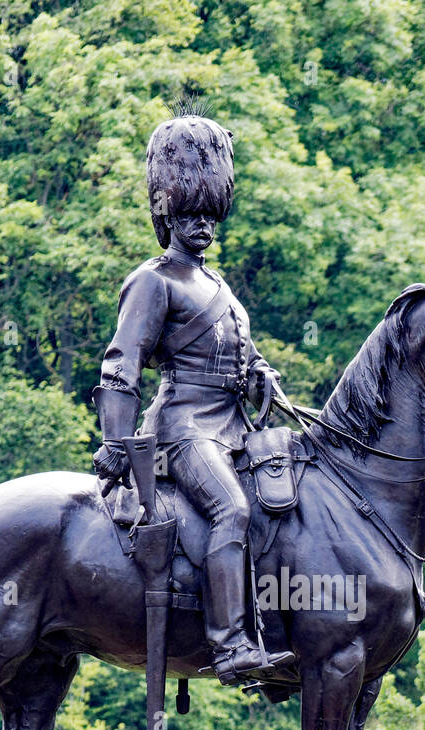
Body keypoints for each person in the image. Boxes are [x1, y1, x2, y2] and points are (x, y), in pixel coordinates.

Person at [93, 114, 295, 686]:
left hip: (235, 428)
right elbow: (121, 364)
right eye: (189, 213)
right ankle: (231, 646)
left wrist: (260, 373)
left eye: (209, 213)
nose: (202, 223)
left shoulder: (220, 286)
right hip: (183, 431)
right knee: (232, 509)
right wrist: (115, 442)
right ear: (166, 212)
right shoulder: (154, 281)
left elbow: (241, 357)